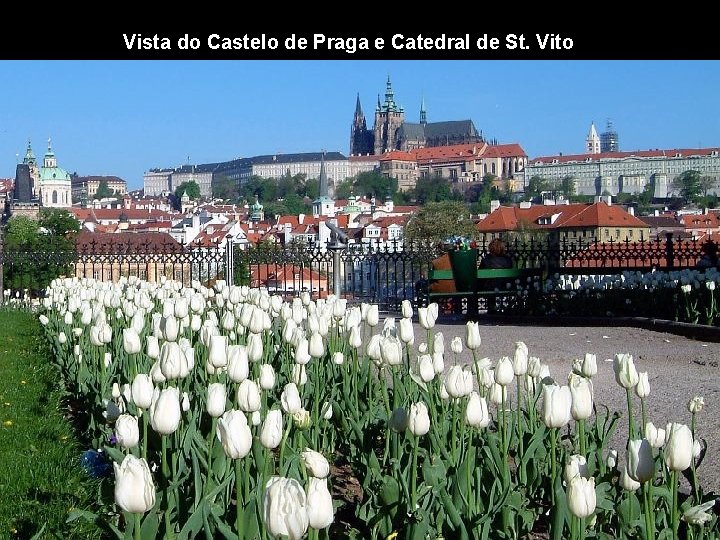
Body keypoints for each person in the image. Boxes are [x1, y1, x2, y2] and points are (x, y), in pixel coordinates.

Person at [479, 238, 514, 313]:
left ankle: (491, 309)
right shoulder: (508, 260)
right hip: (505, 286)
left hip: (490, 288)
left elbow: (480, 276)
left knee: (489, 284)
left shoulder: (486, 260)